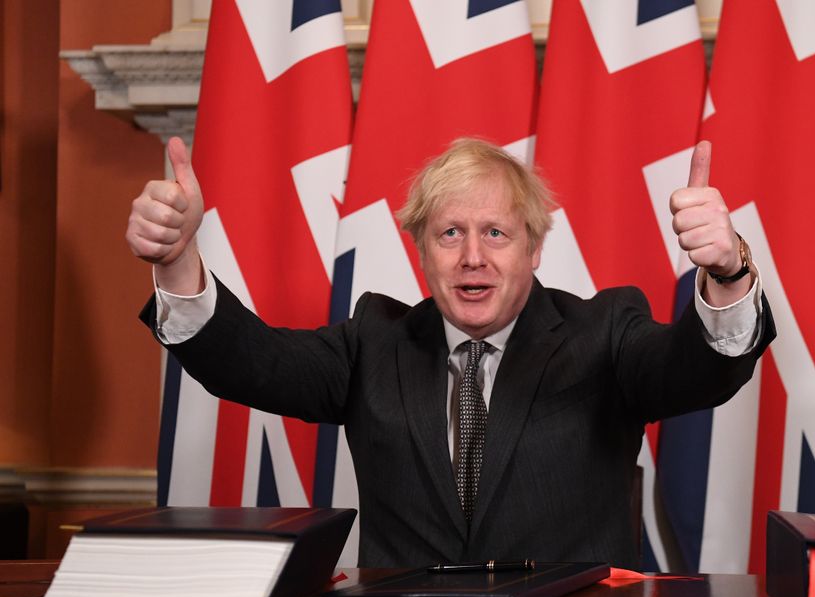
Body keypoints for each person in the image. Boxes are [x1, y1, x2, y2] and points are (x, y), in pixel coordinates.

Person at [127, 137, 774, 570]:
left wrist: (726, 270)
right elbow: (253, 360)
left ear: (534, 248)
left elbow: (697, 370)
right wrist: (179, 259)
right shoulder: (373, 339)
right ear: (420, 250)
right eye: (450, 233)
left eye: (496, 232)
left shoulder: (604, 332)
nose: (472, 256)